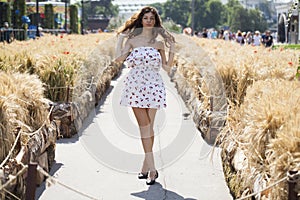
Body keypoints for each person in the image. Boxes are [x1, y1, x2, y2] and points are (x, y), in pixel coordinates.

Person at [114, 6, 175, 185]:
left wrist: (172, 48)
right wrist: (121, 39)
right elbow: (119, 59)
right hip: (135, 86)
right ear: (141, 20)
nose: (148, 20)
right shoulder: (133, 40)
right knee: (144, 126)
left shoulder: (158, 43)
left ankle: (145, 166)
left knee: (149, 127)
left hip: (154, 86)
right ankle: (152, 169)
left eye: (152, 18)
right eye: (146, 18)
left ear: (155, 22)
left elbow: (167, 67)